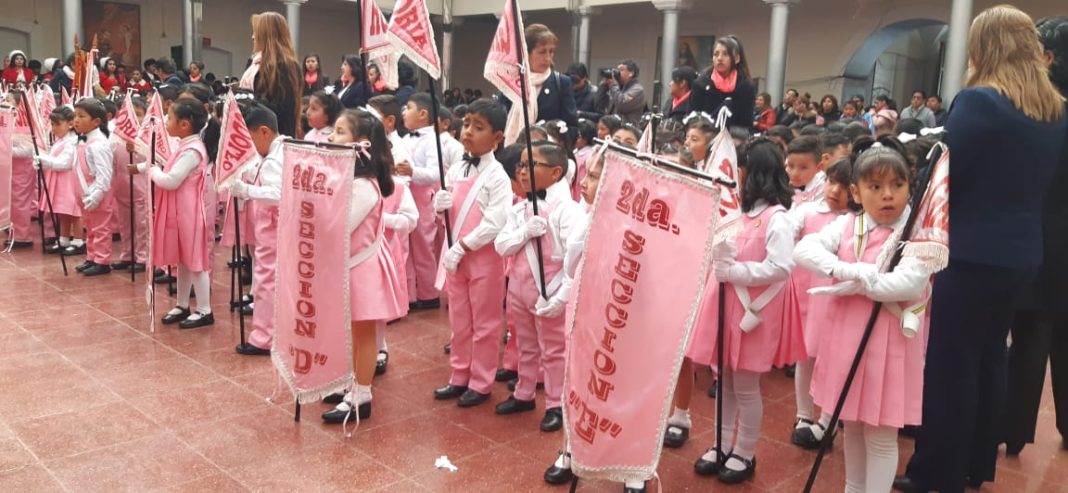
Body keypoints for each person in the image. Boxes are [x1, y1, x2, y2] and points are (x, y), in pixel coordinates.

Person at [895, 6, 1068, 493]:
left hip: (970, 251)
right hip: (1022, 251)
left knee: (952, 363)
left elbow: (948, 178)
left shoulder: (978, 102)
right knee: (992, 356)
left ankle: (937, 473)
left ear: (984, 46)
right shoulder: (1055, 109)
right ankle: (976, 466)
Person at [796, 142, 934, 492]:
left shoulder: (914, 234)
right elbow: (804, 250)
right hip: (846, 336)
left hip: (889, 344)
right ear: (856, 192)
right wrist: (847, 269)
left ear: (909, 187)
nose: (887, 195)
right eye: (875, 187)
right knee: (852, 424)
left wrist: (860, 282)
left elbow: (910, 282)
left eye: (897, 186)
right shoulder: (847, 225)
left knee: (881, 433)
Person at [688, 137, 803, 485]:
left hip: (753, 310)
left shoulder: (777, 218)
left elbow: (781, 266)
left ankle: (745, 451)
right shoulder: (737, 214)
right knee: (725, 382)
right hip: (726, 304)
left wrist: (737, 272)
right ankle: (722, 443)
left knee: (747, 385)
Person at [1002, 14, 1068, 457]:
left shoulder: (1039, 112)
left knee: (1030, 330)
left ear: (1047, 56)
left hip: (1040, 233)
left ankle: (1014, 429)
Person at [320, 108, 408, 423]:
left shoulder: (363, 186)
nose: (331, 137)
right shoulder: (350, 178)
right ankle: (350, 381)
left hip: (361, 268)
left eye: (340, 131)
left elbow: (340, 226)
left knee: (363, 333)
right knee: (351, 332)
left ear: (361, 143)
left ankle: (362, 393)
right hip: (349, 266)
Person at [493, 140, 584, 431]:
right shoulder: (519, 208)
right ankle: (524, 392)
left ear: (556, 172)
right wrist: (523, 232)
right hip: (519, 288)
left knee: (554, 350)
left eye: (531, 165)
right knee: (525, 344)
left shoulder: (567, 209)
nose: (522, 171)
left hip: (550, 289)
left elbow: (576, 256)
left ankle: (556, 403)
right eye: (521, 165)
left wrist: (560, 295)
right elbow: (502, 245)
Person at [431, 98, 512, 408]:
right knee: (460, 320)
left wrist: (463, 246)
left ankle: (481, 381)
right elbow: (451, 216)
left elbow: (495, 222)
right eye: (466, 124)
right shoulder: (454, 168)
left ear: (497, 138)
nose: (468, 132)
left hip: (482, 259)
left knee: (486, 322)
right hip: (456, 258)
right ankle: (459, 374)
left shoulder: (498, 176)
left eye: (479, 128)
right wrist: (439, 209)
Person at [786, 157, 857, 449]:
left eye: (844, 186)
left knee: (837, 363)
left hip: (841, 304)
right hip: (809, 299)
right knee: (806, 356)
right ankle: (804, 415)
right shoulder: (807, 212)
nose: (835, 191)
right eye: (831, 181)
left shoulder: (855, 224)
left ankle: (827, 422)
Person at [132, 99, 214, 327]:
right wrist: (145, 167)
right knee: (183, 261)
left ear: (185, 124)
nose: (166, 122)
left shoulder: (193, 150)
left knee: (195, 261)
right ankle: (182, 304)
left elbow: (170, 180)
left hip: (190, 213)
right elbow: (168, 166)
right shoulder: (184, 145)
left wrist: (151, 171)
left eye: (169, 118)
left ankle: (205, 310)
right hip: (179, 213)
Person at [366, 98, 419, 375]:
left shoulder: (396, 187)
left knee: (378, 308)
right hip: (360, 256)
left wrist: (381, 220)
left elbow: (410, 220)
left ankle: (380, 347)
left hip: (384, 252)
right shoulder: (357, 185)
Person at [230, 102, 287, 355]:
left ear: (264, 132)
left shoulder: (276, 158)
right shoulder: (276, 152)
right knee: (267, 280)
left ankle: (265, 337)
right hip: (272, 228)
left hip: (273, 228)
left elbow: (278, 193)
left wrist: (247, 191)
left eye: (251, 140)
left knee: (266, 282)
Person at [396, 93, 443, 310]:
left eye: (409, 107)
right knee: (407, 246)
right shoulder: (403, 140)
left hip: (423, 198)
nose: (404, 112)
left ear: (423, 114)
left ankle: (428, 293)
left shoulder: (434, 140)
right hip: (406, 197)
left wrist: (412, 171)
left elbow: (435, 173)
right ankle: (410, 293)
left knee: (423, 245)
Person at [500, 24, 577, 143]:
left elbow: (572, 128)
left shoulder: (561, 83)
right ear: (526, 53)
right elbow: (498, 122)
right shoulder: (511, 81)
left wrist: (550, 136)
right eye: (542, 52)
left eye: (551, 52)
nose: (548, 58)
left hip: (546, 156)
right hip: (511, 153)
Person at [69, 99, 115, 277]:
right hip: (83, 193)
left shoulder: (99, 144)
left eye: (81, 116)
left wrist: (96, 195)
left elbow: (104, 175)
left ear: (96, 121)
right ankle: (92, 256)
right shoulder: (80, 141)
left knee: (101, 228)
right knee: (90, 226)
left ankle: (102, 260)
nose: (76, 120)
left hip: (97, 194)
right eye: (75, 116)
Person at [241, 12, 303, 138]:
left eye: (256, 32)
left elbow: (282, 108)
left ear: (267, 35)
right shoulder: (253, 63)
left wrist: (247, 102)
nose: (253, 37)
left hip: (275, 136)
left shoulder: (287, 65)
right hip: (250, 132)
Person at [32, 106, 82, 255]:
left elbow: (65, 163)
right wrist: (41, 162)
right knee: (62, 210)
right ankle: (64, 238)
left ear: (70, 124)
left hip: (70, 181)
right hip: (60, 181)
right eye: (52, 125)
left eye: (57, 124)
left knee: (74, 212)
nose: (54, 128)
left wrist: (45, 160)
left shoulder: (73, 141)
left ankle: (79, 241)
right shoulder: (60, 141)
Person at [111, 97, 149, 273]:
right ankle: (127, 253)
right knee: (124, 222)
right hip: (121, 184)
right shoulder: (117, 134)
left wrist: (137, 149)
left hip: (140, 185)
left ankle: (143, 256)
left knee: (141, 223)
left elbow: (155, 158)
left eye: (139, 115)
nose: (135, 119)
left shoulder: (148, 135)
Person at [691, 36, 755, 131]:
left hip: (734, 139)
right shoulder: (701, 83)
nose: (719, 58)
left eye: (725, 54)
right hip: (705, 137)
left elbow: (746, 123)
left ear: (736, 58)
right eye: (716, 54)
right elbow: (692, 117)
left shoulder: (746, 86)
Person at [4, 91, 38, 250]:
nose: (5, 100)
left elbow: (28, 150)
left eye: (9, 99)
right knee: (12, 203)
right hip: (11, 169)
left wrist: (5, 150)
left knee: (20, 203)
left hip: (23, 169)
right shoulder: (10, 119)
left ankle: (22, 237)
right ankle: (14, 233)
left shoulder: (24, 122)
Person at [595, 59, 645, 126]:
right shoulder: (618, 88)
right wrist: (604, 86)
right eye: (617, 70)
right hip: (612, 128)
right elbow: (598, 106)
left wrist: (613, 85)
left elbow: (622, 105)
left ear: (631, 73)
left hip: (627, 130)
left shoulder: (637, 90)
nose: (617, 72)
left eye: (621, 70)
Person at [785, 135, 827, 206]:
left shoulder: (824, 192)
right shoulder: (780, 184)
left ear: (819, 167)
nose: (795, 173)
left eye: (803, 168)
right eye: (791, 166)